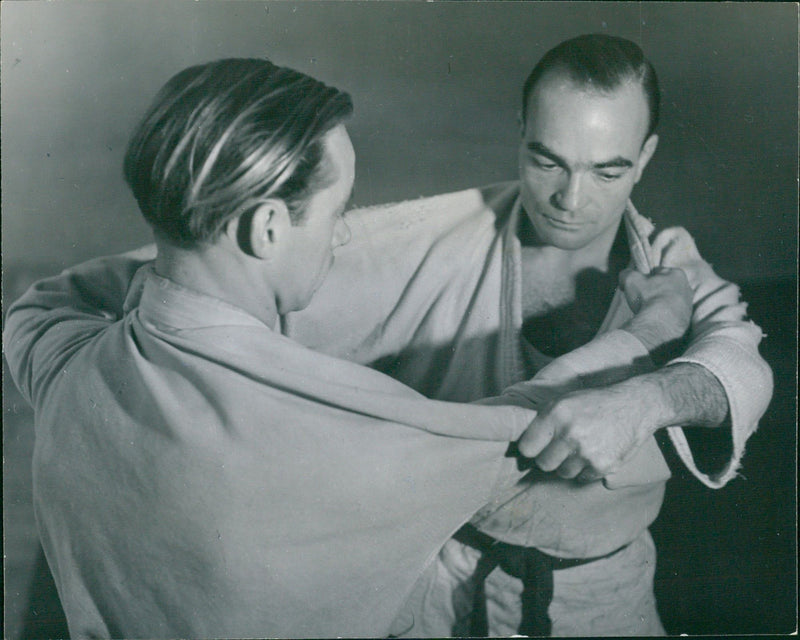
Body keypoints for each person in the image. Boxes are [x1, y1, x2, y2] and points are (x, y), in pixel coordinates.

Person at [2, 58, 696, 638]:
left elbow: (38, 304)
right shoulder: (340, 432)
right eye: (339, 215)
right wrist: (651, 331)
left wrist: (184, 238)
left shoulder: (65, 364)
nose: (342, 239)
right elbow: (543, 426)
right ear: (268, 227)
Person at [283, 34, 774, 636]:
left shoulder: (668, 268)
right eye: (548, 161)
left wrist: (645, 400)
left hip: (602, 600)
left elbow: (741, 371)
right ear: (521, 131)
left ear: (645, 157)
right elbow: (235, 274)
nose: (570, 199)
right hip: (440, 586)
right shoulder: (435, 234)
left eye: (607, 170)